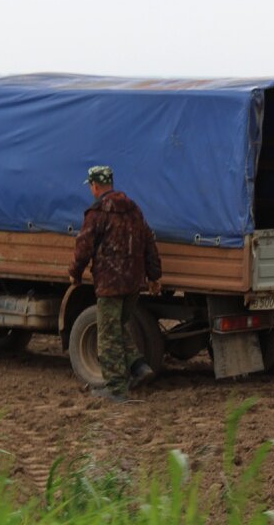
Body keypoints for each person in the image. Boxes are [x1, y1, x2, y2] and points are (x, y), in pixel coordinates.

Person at [69, 165, 163, 403]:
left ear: (95, 186)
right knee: (118, 326)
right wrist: (154, 276)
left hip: (110, 283)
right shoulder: (134, 210)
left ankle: (116, 389)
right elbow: (149, 242)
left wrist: (75, 274)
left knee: (108, 335)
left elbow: (83, 248)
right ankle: (139, 366)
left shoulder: (97, 213)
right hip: (133, 283)